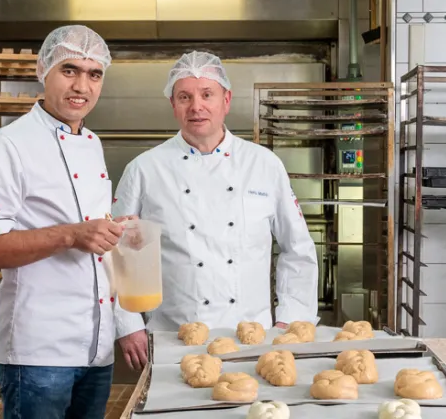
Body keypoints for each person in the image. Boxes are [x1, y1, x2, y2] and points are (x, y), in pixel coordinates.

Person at [0, 25, 139, 419]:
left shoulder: (92, 144)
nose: (82, 86)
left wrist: (113, 231)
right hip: (38, 351)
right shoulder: (9, 146)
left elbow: (92, 238)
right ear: (43, 69)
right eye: (70, 70)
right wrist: (72, 235)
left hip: (96, 348)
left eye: (94, 75)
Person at [112, 51, 320, 367]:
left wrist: (290, 320)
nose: (196, 106)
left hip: (252, 336)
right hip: (172, 334)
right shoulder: (143, 169)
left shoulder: (264, 164)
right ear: (173, 105)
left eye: (207, 94)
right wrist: (128, 325)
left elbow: (297, 249)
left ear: (226, 100)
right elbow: (116, 252)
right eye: (185, 96)